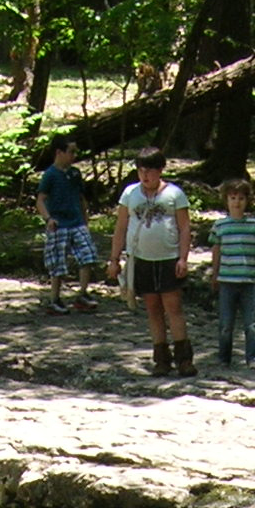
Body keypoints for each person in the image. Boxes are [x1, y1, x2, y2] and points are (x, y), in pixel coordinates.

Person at [108, 148, 194, 376]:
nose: (145, 175)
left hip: (169, 259)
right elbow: (120, 227)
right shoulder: (130, 194)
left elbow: (185, 227)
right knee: (153, 309)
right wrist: (114, 259)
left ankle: (184, 358)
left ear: (160, 170)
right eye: (141, 170)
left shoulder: (175, 195)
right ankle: (161, 359)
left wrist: (183, 258)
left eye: (150, 170)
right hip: (141, 259)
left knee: (173, 308)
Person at [207, 175, 255, 366]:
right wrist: (214, 275)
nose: (236, 203)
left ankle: (252, 357)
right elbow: (216, 252)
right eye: (232, 198)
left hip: (248, 282)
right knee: (225, 325)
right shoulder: (220, 226)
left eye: (241, 198)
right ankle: (224, 358)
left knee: (251, 325)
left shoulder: (254, 226)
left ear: (247, 201)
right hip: (227, 282)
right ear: (226, 200)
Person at [37, 136, 99, 314]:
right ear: (59, 152)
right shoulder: (50, 175)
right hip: (58, 225)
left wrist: (85, 220)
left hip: (76, 222)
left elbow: (81, 199)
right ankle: (54, 299)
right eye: (71, 151)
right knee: (58, 263)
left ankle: (83, 294)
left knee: (87, 256)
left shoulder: (75, 174)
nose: (74, 155)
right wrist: (48, 219)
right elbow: (40, 200)